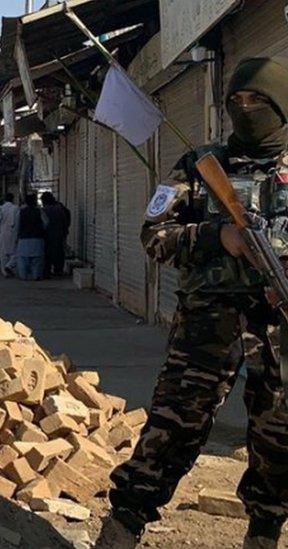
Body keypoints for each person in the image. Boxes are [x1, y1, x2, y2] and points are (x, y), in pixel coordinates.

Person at [95, 57, 288, 549]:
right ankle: (122, 527)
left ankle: (264, 531)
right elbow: (153, 236)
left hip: (279, 328)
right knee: (172, 427)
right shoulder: (200, 165)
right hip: (208, 325)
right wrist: (213, 236)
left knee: (278, 439)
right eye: (237, 101)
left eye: (259, 101)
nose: (246, 109)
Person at [15, 192, 47, 281]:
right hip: (37, 238)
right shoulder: (39, 211)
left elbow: (17, 226)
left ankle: (23, 276)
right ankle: (36, 276)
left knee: (23, 259)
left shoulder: (21, 212)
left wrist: (17, 237)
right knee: (37, 260)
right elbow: (46, 223)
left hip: (23, 239)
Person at [0, 193, 20, 277]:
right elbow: (18, 222)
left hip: (1, 232)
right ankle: (9, 266)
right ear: (13, 199)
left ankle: (5, 272)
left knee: (3, 255)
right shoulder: (16, 208)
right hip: (13, 232)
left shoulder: (0, 209)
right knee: (16, 253)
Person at [41, 192, 69, 277]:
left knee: (47, 254)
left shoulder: (44, 210)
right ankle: (58, 270)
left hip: (47, 235)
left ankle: (47, 271)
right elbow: (65, 221)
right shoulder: (60, 208)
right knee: (59, 252)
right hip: (59, 234)